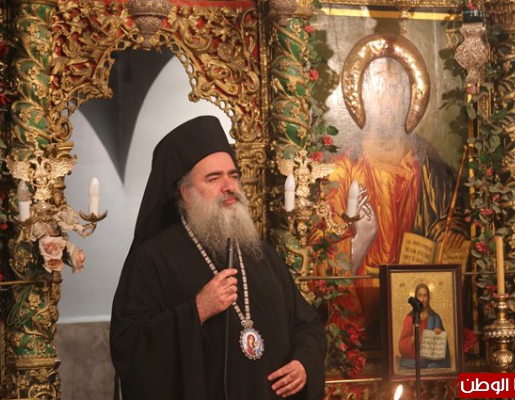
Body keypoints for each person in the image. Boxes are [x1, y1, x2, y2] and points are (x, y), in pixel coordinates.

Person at [110, 116, 326, 400]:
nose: (229, 186)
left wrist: (303, 362)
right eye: (214, 178)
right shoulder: (152, 259)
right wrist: (196, 310)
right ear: (186, 193)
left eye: (233, 175)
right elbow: (129, 344)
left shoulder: (261, 253)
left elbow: (307, 324)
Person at [312, 58, 467, 329]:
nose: (386, 101)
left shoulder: (430, 167)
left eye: (395, 90)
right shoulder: (342, 169)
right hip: (359, 308)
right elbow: (319, 258)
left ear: (409, 99)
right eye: (378, 89)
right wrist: (361, 240)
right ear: (363, 97)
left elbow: (452, 225)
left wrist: (447, 238)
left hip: (417, 305)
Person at [398, 283, 450, 369]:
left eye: (425, 296)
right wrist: (413, 338)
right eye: (420, 295)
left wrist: (439, 335)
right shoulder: (409, 318)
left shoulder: (435, 317)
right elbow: (401, 346)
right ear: (415, 297)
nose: (422, 299)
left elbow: (443, 348)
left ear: (429, 298)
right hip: (411, 364)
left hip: (431, 364)